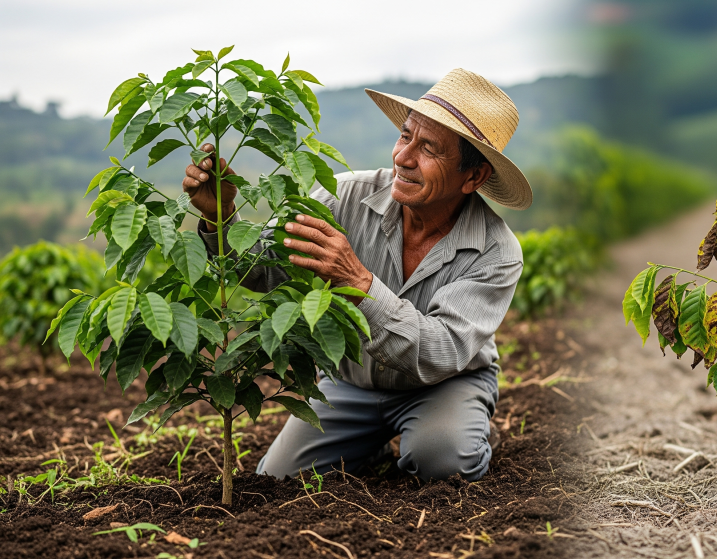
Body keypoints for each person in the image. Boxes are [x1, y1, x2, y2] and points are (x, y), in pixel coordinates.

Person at [180, 69, 532, 481]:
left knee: (445, 461)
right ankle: (370, 438)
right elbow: (266, 270)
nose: (403, 157)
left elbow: (442, 352)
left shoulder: (496, 252)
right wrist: (220, 218)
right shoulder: (342, 196)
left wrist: (360, 284)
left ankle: (433, 428)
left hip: (443, 385)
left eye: (430, 149)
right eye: (405, 136)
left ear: (473, 176)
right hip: (352, 381)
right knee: (278, 479)